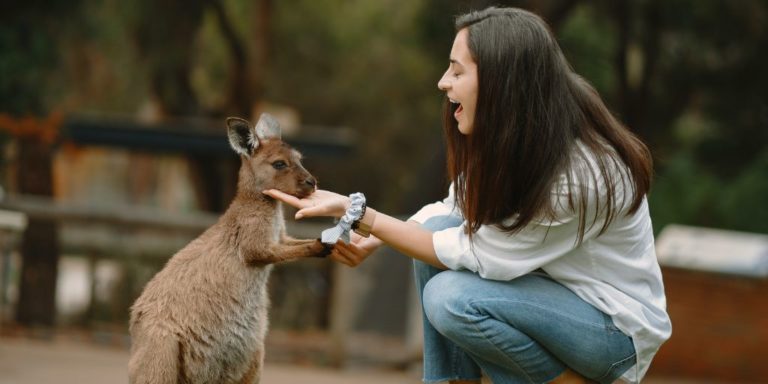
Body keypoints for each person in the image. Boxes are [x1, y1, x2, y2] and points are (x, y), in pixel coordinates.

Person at [265, 6, 671, 384]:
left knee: (451, 299)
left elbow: (477, 254)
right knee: (438, 235)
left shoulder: (581, 175)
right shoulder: (521, 138)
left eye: (457, 72)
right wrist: (377, 236)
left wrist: (363, 215)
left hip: (612, 333)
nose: (443, 82)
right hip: (550, 299)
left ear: (500, 81)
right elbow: (452, 210)